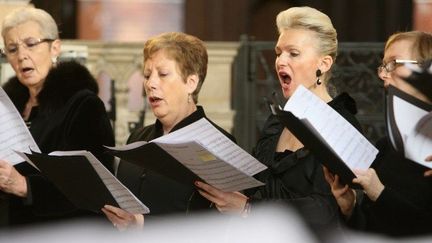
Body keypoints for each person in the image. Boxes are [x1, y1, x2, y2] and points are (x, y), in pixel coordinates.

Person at [195, 6, 363, 231]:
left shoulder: (341, 126)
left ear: (323, 64)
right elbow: (255, 186)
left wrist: (248, 208)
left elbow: (326, 210)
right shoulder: (277, 122)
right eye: (278, 52)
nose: (280, 61)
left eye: (293, 53)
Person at [101, 32, 236, 230]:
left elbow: (216, 228)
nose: (150, 83)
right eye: (147, 75)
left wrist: (142, 225)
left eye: (163, 74)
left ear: (191, 82)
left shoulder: (219, 144)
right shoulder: (138, 137)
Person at [0, 7, 115, 226]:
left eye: (31, 44)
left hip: (60, 231)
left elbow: (94, 184)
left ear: (55, 47)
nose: (21, 55)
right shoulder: (7, 107)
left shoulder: (83, 105)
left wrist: (26, 186)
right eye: (12, 49)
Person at [324, 31, 432, 237]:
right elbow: (369, 230)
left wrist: (379, 192)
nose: (383, 74)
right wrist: (349, 208)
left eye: (394, 63)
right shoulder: (385, 147)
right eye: (383, 66)